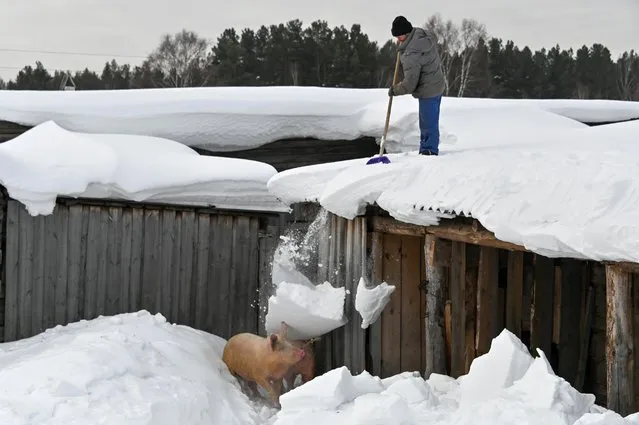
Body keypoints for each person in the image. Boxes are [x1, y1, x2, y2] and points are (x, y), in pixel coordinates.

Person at [388, 16, 445, 156]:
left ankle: (429, 151)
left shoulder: (410, 54)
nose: (397, 39)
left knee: (427, 123)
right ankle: (428, 148)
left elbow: (410, 84)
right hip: (437, 84)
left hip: (428, 89)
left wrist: (395, 90)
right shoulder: (421, 34)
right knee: (431, 121)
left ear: (406, 33)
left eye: (399, 36)